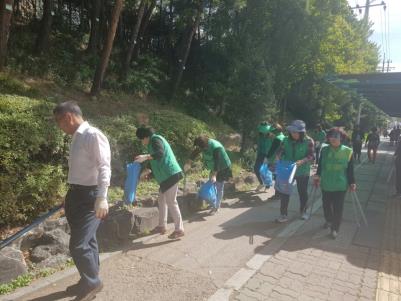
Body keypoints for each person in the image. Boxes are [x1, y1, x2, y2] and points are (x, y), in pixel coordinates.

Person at [53, 101, 110, 301]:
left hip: (91, 197)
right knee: (89, 241)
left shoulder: (92, 135)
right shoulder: (76, 137)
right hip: (76, 195)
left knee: (79, 245)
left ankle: (94, 283)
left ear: (68, 117)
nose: (60, 127)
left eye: (59, 122)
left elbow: (104, 166)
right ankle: (87, 279)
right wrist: (70, 193)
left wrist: (102, 197)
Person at [135, 126, 185, 239]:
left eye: (142, 139)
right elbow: (157, 162)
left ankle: (179, 229)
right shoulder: (151, 144)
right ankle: (162, 226)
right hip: (166, 176)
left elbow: (160, 153)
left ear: (146, 136)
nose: (142, 142)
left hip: (171, 174)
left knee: (171, 201)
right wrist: (149, 174)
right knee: (161, 199)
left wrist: (145, 157)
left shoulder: (155, 139)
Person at [314, 128, 356, 239]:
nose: (333, 139)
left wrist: (352, 182)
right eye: (331, 136)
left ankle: (335, 229)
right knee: (326, 205)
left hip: (340, 185)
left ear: (341, 138)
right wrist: (317, 176)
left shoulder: (348, 151)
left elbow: (350, 169)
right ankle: (329, 220)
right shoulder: (324, 150)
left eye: (336, 136)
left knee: (338, 208)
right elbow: (320, 165)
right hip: (326, 183)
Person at [275, 120, 314, 222]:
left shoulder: (309, 141)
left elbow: (311, 156)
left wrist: (302, 161)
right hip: (287, 170)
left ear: (302, 133)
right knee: (284, 192)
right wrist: (278, 156)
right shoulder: (286, 140)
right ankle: (283, 214)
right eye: (292, 132)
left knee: (302, 192)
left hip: (302, 171)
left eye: (296, 132)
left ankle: (304, 211)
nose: (293, 134)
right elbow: (280, 151)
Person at [187, 135, 232, 215]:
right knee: (213, 184)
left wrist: (214, 175)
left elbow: (217, 162)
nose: (200, 149)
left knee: (219, 186)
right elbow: (195, 152)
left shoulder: (216, 147)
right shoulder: (202, 144)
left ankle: (217, 207)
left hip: (223, 166)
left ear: (205, 145)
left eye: (201, 148)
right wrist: (188, 163)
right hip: (213, 166)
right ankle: (214, 201)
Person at [266, 124, 286, 200]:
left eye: (272, 132)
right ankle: (280, 193)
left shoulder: (277, 138)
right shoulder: (284, 137)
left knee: (277, 177)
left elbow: (272, 150)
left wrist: (266, 157)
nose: (272, 133)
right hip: (282, 160)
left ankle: (277, 194)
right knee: (279, 176)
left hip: (275, 160)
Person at [254, 122, 273, 191]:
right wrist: (255, 147)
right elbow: (258, 145)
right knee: (256, 169)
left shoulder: (271, 136)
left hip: (268, 155)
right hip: (260, 154)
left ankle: (267, 186)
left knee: (266, 170)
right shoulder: (260, 136)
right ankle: (261, 183)